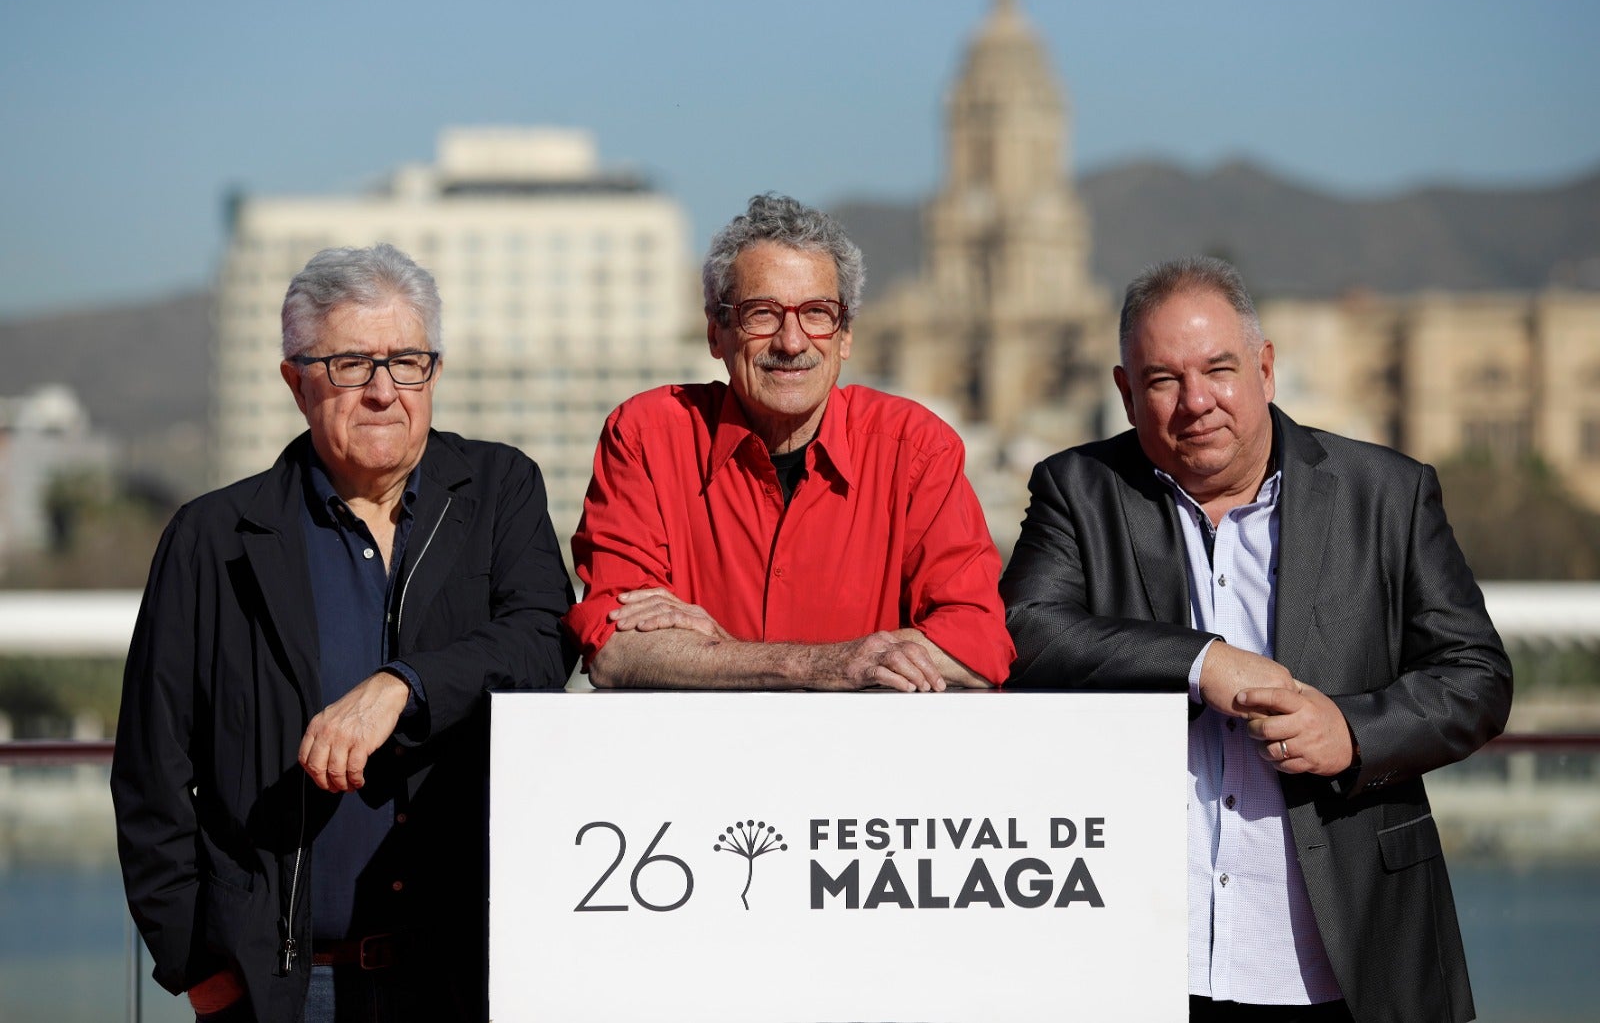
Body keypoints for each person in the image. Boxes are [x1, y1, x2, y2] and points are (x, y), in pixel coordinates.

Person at [1000, 256, 1511, 1022]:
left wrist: (1353, 732)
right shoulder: (1077, 489)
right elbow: (1024, 633)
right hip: (1142, 960)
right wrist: (1202, 663)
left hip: (1349, 962)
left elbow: (1477, 676)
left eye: (1218, 369)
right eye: (1163, 379)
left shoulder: (1386, 493)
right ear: (1125, 391)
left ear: (1266, 369)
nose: (1195, 402)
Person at [111, 244, 574, 1022]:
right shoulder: (214, 538)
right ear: (297, 383)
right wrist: (201, 970)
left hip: (467, 976)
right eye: (353, 364)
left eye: (407, 361)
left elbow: (542, 643)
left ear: (435, 370)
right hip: (287, 990)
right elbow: (152, 775)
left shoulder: (500, 492)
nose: (384, 392)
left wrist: (405, 686)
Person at [566, 193, 1013, 690]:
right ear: (717, 333)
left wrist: (713, 654)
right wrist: (826, 664)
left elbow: (977, 643)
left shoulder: (917, 450)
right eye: (762, 313)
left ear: (844, 335)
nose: (792, 342)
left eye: (817, 313)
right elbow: (616, 647)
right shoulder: (646, 438)